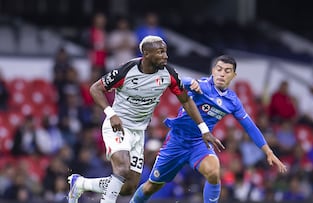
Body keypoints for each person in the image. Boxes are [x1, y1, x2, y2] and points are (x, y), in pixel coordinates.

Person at [67, 35, 222, 203]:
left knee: (128, 188)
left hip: (139, 132)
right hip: (117, 126)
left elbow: (186, 100)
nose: (166, 56)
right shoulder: (126, 71)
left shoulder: (168, 74)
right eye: (161, 52)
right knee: (122, 168)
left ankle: (80, 183)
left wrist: (204, 130)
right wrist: (111, 114)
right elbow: (95, 89)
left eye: (166, 52)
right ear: (146, 54)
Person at [130, 55, 288, 203]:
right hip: (176, 142)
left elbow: (249, 126)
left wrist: (268, 151)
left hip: (200, 144)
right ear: (213, 71)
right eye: (219, 69)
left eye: (227, 71)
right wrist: (189, 81)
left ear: (233, 75)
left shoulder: (232, 101)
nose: (222, 74)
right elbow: (174, 81)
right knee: (152, 186)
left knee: (213, 173)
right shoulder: (201, 86)